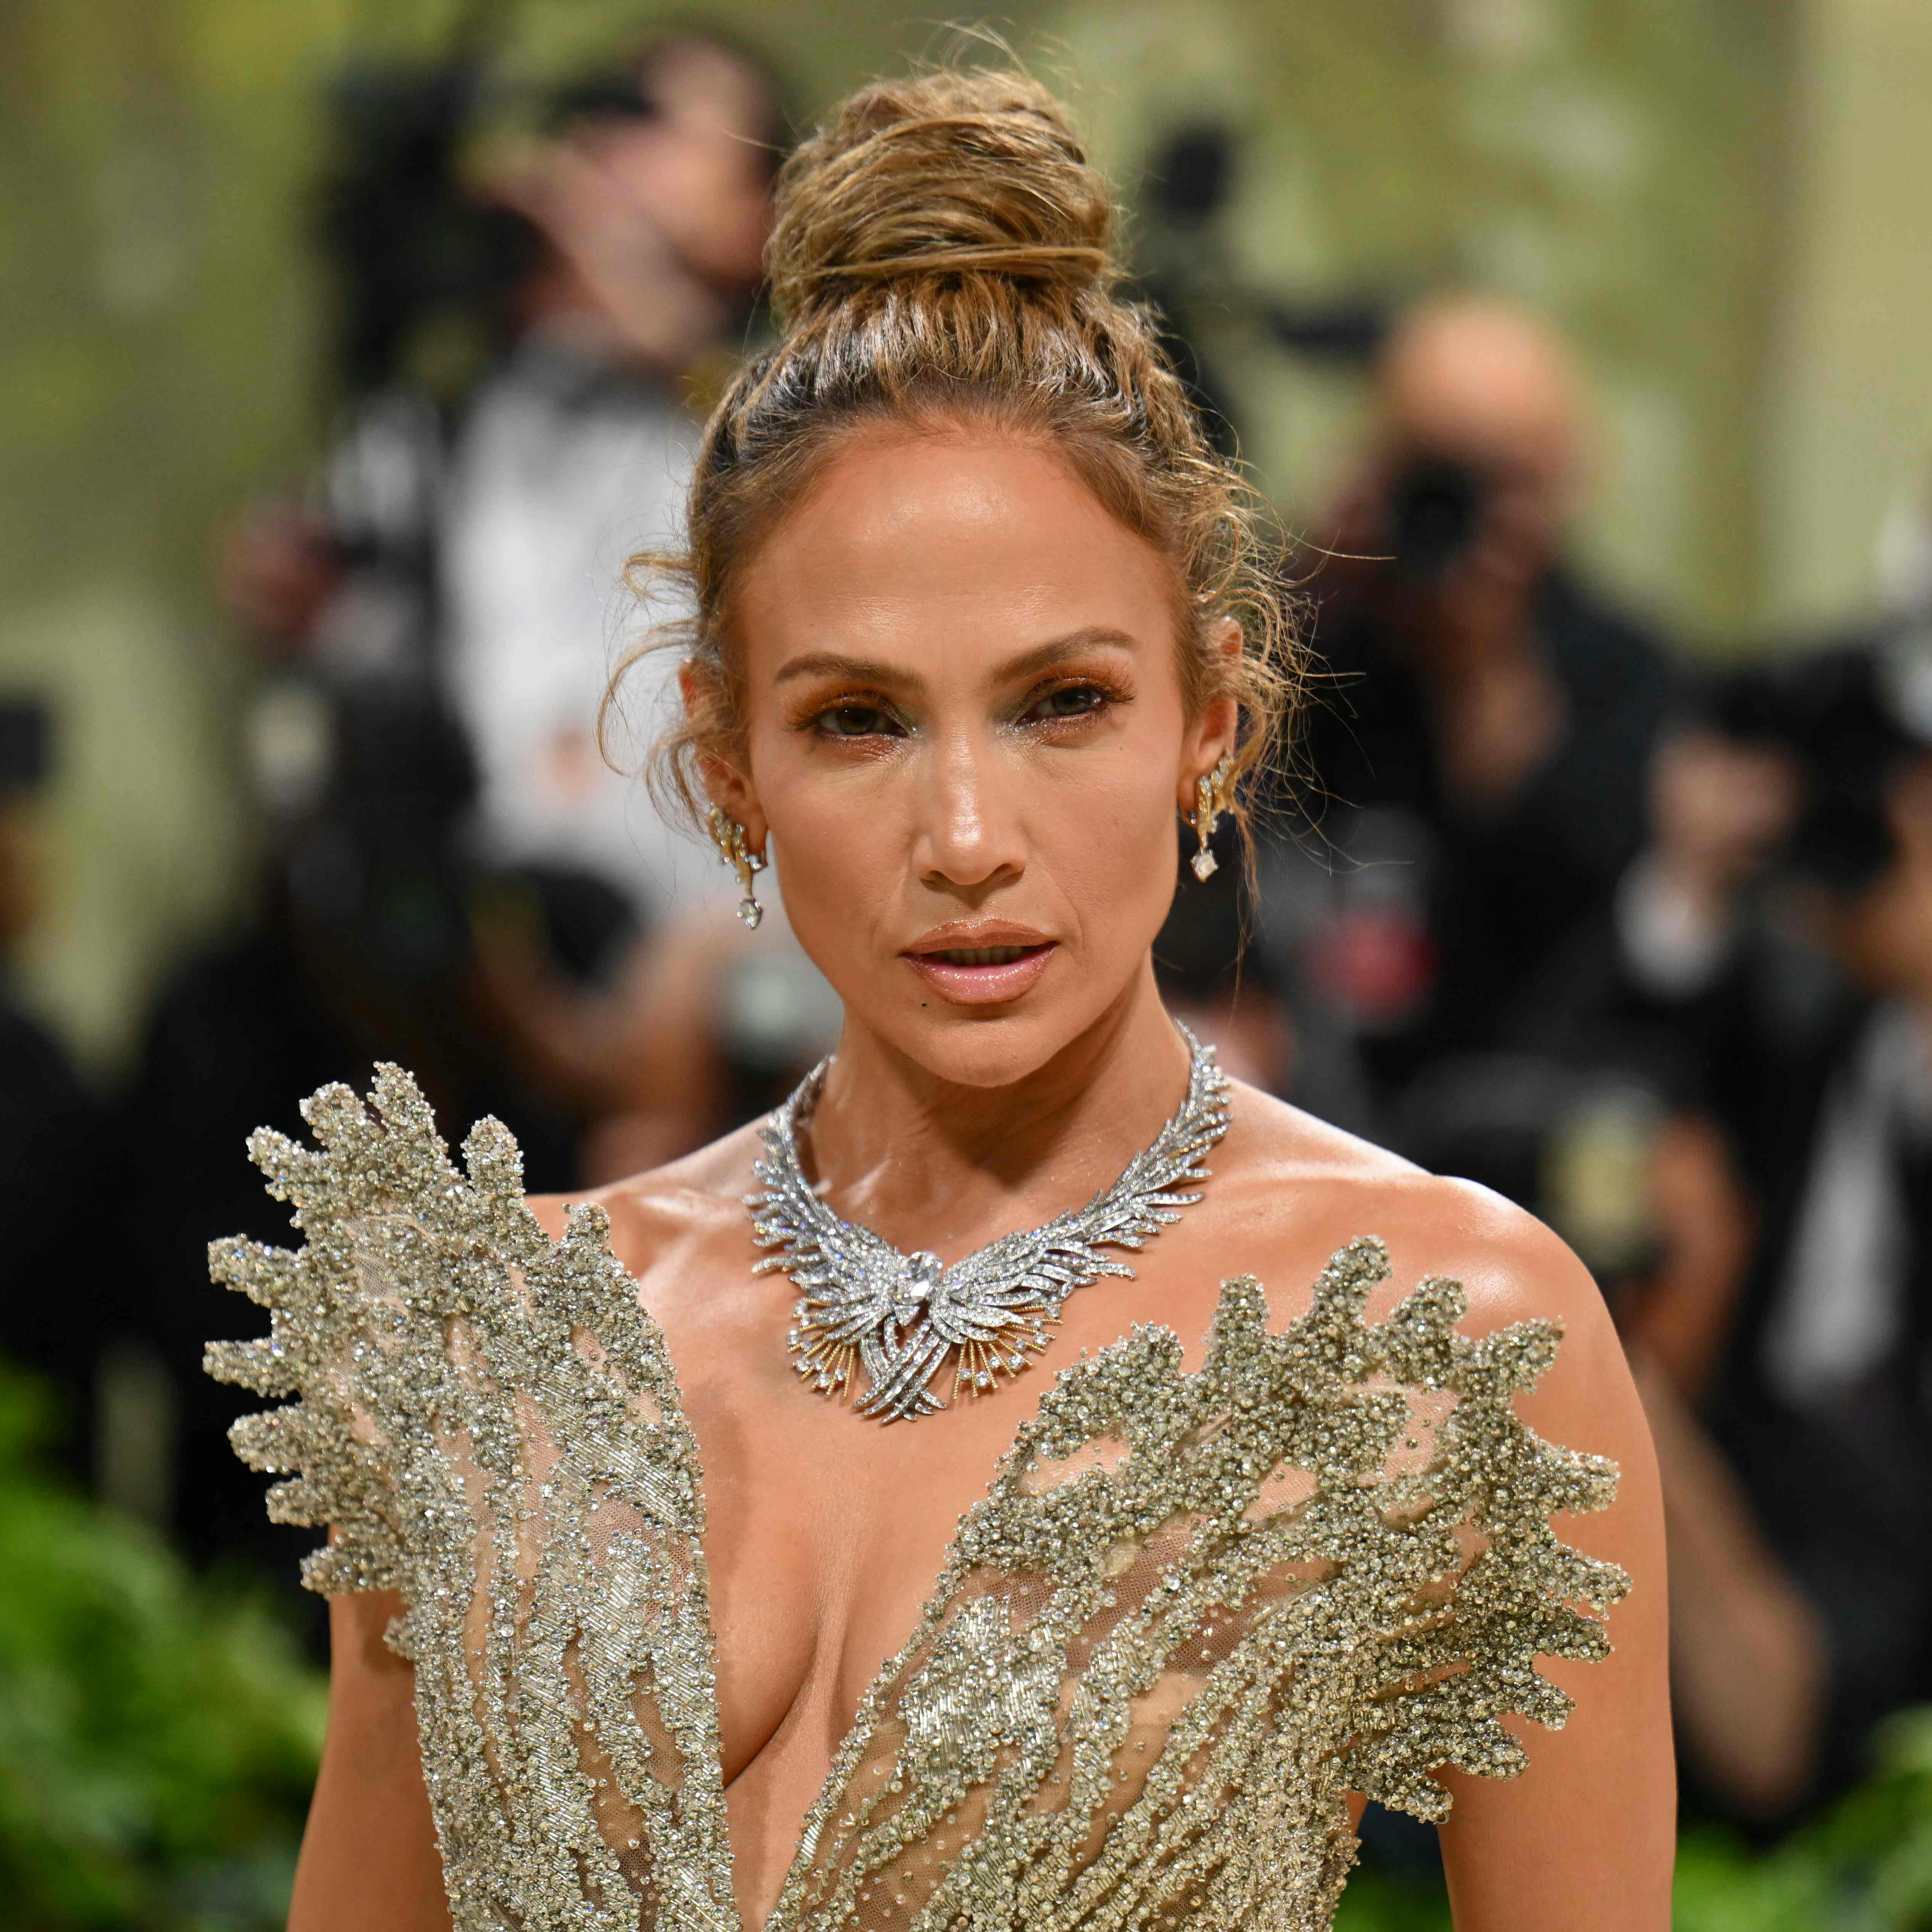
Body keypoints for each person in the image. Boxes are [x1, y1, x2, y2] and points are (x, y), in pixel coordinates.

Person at [208, 73, 1671, 1930]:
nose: (966, 837)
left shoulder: (1436, 1339)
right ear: (730, 772)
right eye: (855, 719)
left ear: (1206, 726)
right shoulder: (510, 1355)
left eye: (1062, 701)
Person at [1282, 297, 1677, 1105]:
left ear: (1566, 482)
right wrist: (1311, 574)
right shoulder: (1313, 635)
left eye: (1509, 479)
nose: (1467, 512)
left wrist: (1483, 672)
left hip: (1511, 1132)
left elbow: (1590, 928)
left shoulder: (1628, 680)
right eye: (1439, 470)